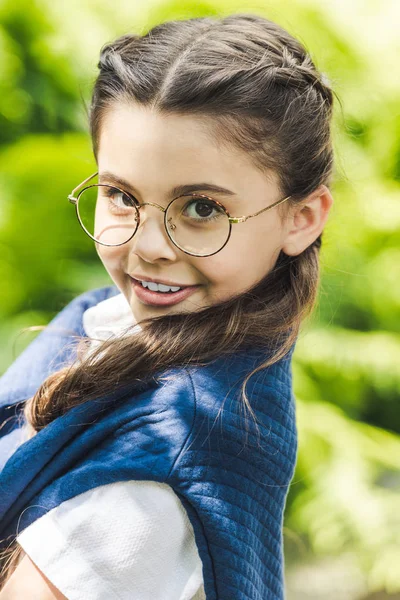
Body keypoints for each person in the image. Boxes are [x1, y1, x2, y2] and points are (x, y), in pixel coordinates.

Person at [0, 11, 334, 600]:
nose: (148, 248)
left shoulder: (153, 474)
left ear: (300, 218)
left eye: (202, 208)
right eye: (121, 196)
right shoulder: (103, 316)